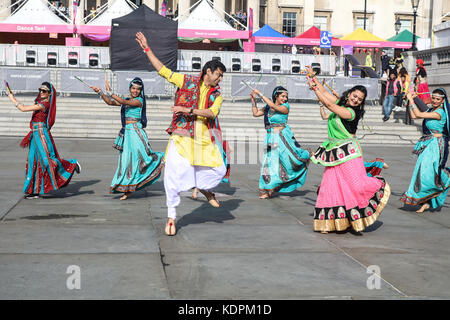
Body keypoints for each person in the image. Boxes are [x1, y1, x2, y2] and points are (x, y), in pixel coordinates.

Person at [135, 32, 230, 236]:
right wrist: (146, 48)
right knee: (172, 176)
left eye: (222, 76)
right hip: (181, 137)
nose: (220, 78)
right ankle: (171, 217)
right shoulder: (185, 81)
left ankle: (203, 187)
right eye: (219, 74)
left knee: (220, 171)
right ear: (208, 71)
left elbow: (212, 112)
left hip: (204, 139)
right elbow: (163, 70)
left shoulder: (217, 95)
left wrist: (189, 110)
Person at [306, 67, 390, 234]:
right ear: (349, 93)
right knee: (331, 187)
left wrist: (313, 87)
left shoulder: (351, 112)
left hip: (349, 152)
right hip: (334, 151)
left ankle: (378, 184)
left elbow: (328, 103)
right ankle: (329, 223)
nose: (356, 99)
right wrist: (312, 77)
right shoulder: (342, 103)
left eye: (360, 99)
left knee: (357, 186)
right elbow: (324, 92)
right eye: (354, 96)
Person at [90, 78, 164, 201]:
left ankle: (163, 158)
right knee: (126, 162)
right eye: (133, 88)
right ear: (130, 88)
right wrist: (101, 92)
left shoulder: (139, 101)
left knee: (141, 159)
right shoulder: (128, 100)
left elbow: (124, 101)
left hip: (136, 132)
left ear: (141, 91)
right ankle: (128, 188)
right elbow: (110, 102)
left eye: (138, 89)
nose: (135, 91)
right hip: (127, 134)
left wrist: (111, 92)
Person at [7, 82, 80, 199]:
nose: (41, 92)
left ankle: (71, 164)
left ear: (49, 94)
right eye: (40, 90)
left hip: (41, 133)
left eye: (44, 91)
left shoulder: (44, 104)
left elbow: (23, 108)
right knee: (33, 162)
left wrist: (12, 98)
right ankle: (34, 190)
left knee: (47, 160)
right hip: (35, 133)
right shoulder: (39, 102)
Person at [250, 86, 310, 199]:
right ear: (276, 96)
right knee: (269, 163)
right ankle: (266, 189)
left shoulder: (285, 107)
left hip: (282, 137)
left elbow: (273, 106)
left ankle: (306, 155)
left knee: (287, 162)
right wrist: (253, 100)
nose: (285, 98)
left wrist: (260, 94)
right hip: (270, 137)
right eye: (282, 96)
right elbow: (256, 113)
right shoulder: (268, 107)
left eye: (286, 96)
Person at [401, 89, 450, 213]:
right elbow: (413, 115)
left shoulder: (440, 113)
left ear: (443, 100)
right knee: (421, 171)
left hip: (437, 145)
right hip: (428, 144)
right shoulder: (430, 110)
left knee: (428, 173)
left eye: (438, 99)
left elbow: (418, 114)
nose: (434, 101)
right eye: (433, 98)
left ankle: (446, 178)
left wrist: (412, 99)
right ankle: (426, 202)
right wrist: (409, 101)